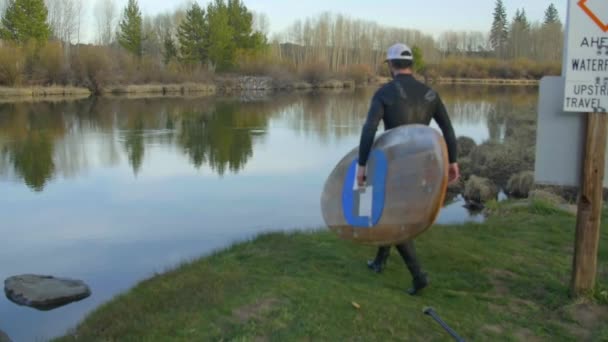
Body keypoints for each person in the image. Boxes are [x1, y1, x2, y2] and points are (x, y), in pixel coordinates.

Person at [356, 43, 460, 295]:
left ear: (391, 66)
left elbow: (369, 128)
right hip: (423, 165)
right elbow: (447, 129)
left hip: (395, 163)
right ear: (411, 65)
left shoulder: (385, 93)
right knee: (396, 212)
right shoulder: (430, 94)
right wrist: (452, 161)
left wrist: (361, 164)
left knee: (393, 216)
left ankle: (418, 275)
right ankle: (380, 260)